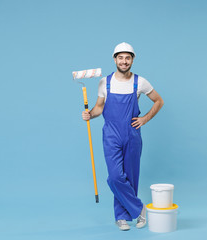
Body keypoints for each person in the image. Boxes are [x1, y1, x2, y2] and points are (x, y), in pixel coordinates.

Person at [82, 42, 164, 231]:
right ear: (115, 59)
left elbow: (159, 101)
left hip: (132, 134)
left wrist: (145, 119)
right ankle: (140, 209)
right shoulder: (105, 82)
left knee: (131, 176)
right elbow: (99, 108)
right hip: (111, 135)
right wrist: (90, 114)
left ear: (132, 60)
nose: (124, 61)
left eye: (128, 57)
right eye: (120, 57)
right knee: (115, 177)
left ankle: (122, 217)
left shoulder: (140, 82)